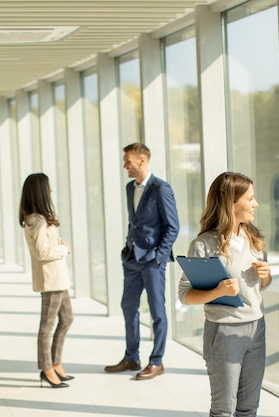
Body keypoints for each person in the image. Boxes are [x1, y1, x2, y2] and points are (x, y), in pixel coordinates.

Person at [178, 172, 271, 416]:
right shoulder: (204, 245)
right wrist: (218, 291)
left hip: (257, 328)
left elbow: (261, 286)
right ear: (231, 203)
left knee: (249, 407)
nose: (255, 204)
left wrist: (266, 276)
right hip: (224, 332)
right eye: (250, 199)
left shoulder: (255, 239)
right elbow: (185, 295)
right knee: (224, 410)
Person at [105, 143, 179, 380]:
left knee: (157, 312)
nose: (124, 165)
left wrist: (159, 256)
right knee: (128, 307)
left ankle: (157, 362)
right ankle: (131, 357)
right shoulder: (130, 188)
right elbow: (134, 222)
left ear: (143, 160)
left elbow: (172, 226)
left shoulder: (161, 188)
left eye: (128, 161)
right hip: (132, 259)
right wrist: (129, 248)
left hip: (152, 261)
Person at [19, 173, 74, 389]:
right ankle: (46, 368)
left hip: (58, 279)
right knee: (47, 326)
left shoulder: (40, 218)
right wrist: (63, 249)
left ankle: (56, 362)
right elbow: (42, 252)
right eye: (48, 187)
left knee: (67, 318)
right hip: (51, 280)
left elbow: (44, 244)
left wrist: (57, 242)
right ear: (40, 191)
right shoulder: (38, 221)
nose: (51, 190)